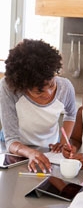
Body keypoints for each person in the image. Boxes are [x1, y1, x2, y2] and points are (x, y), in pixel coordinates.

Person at [0, 39, 76, 173]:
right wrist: (30, 153)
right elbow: (11, 140)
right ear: (23, 87)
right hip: (16, 151)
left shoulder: (65, 87)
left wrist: (64, 142)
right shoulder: (8, 88)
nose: (48, 93)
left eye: (52, 85)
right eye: (39, 91)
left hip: (49, 150)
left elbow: (71, 114)